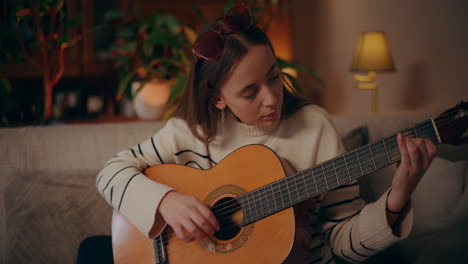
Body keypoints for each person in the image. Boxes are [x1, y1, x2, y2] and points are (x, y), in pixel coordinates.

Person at [89, 4, 437, 264]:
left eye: (273, 76)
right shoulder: (190, 133)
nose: (272, 98)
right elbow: (110, 174)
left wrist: (398, 198)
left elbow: (340, 244)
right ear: (217, 98)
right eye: (250, 91)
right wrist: (166, 202)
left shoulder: (314, 128)